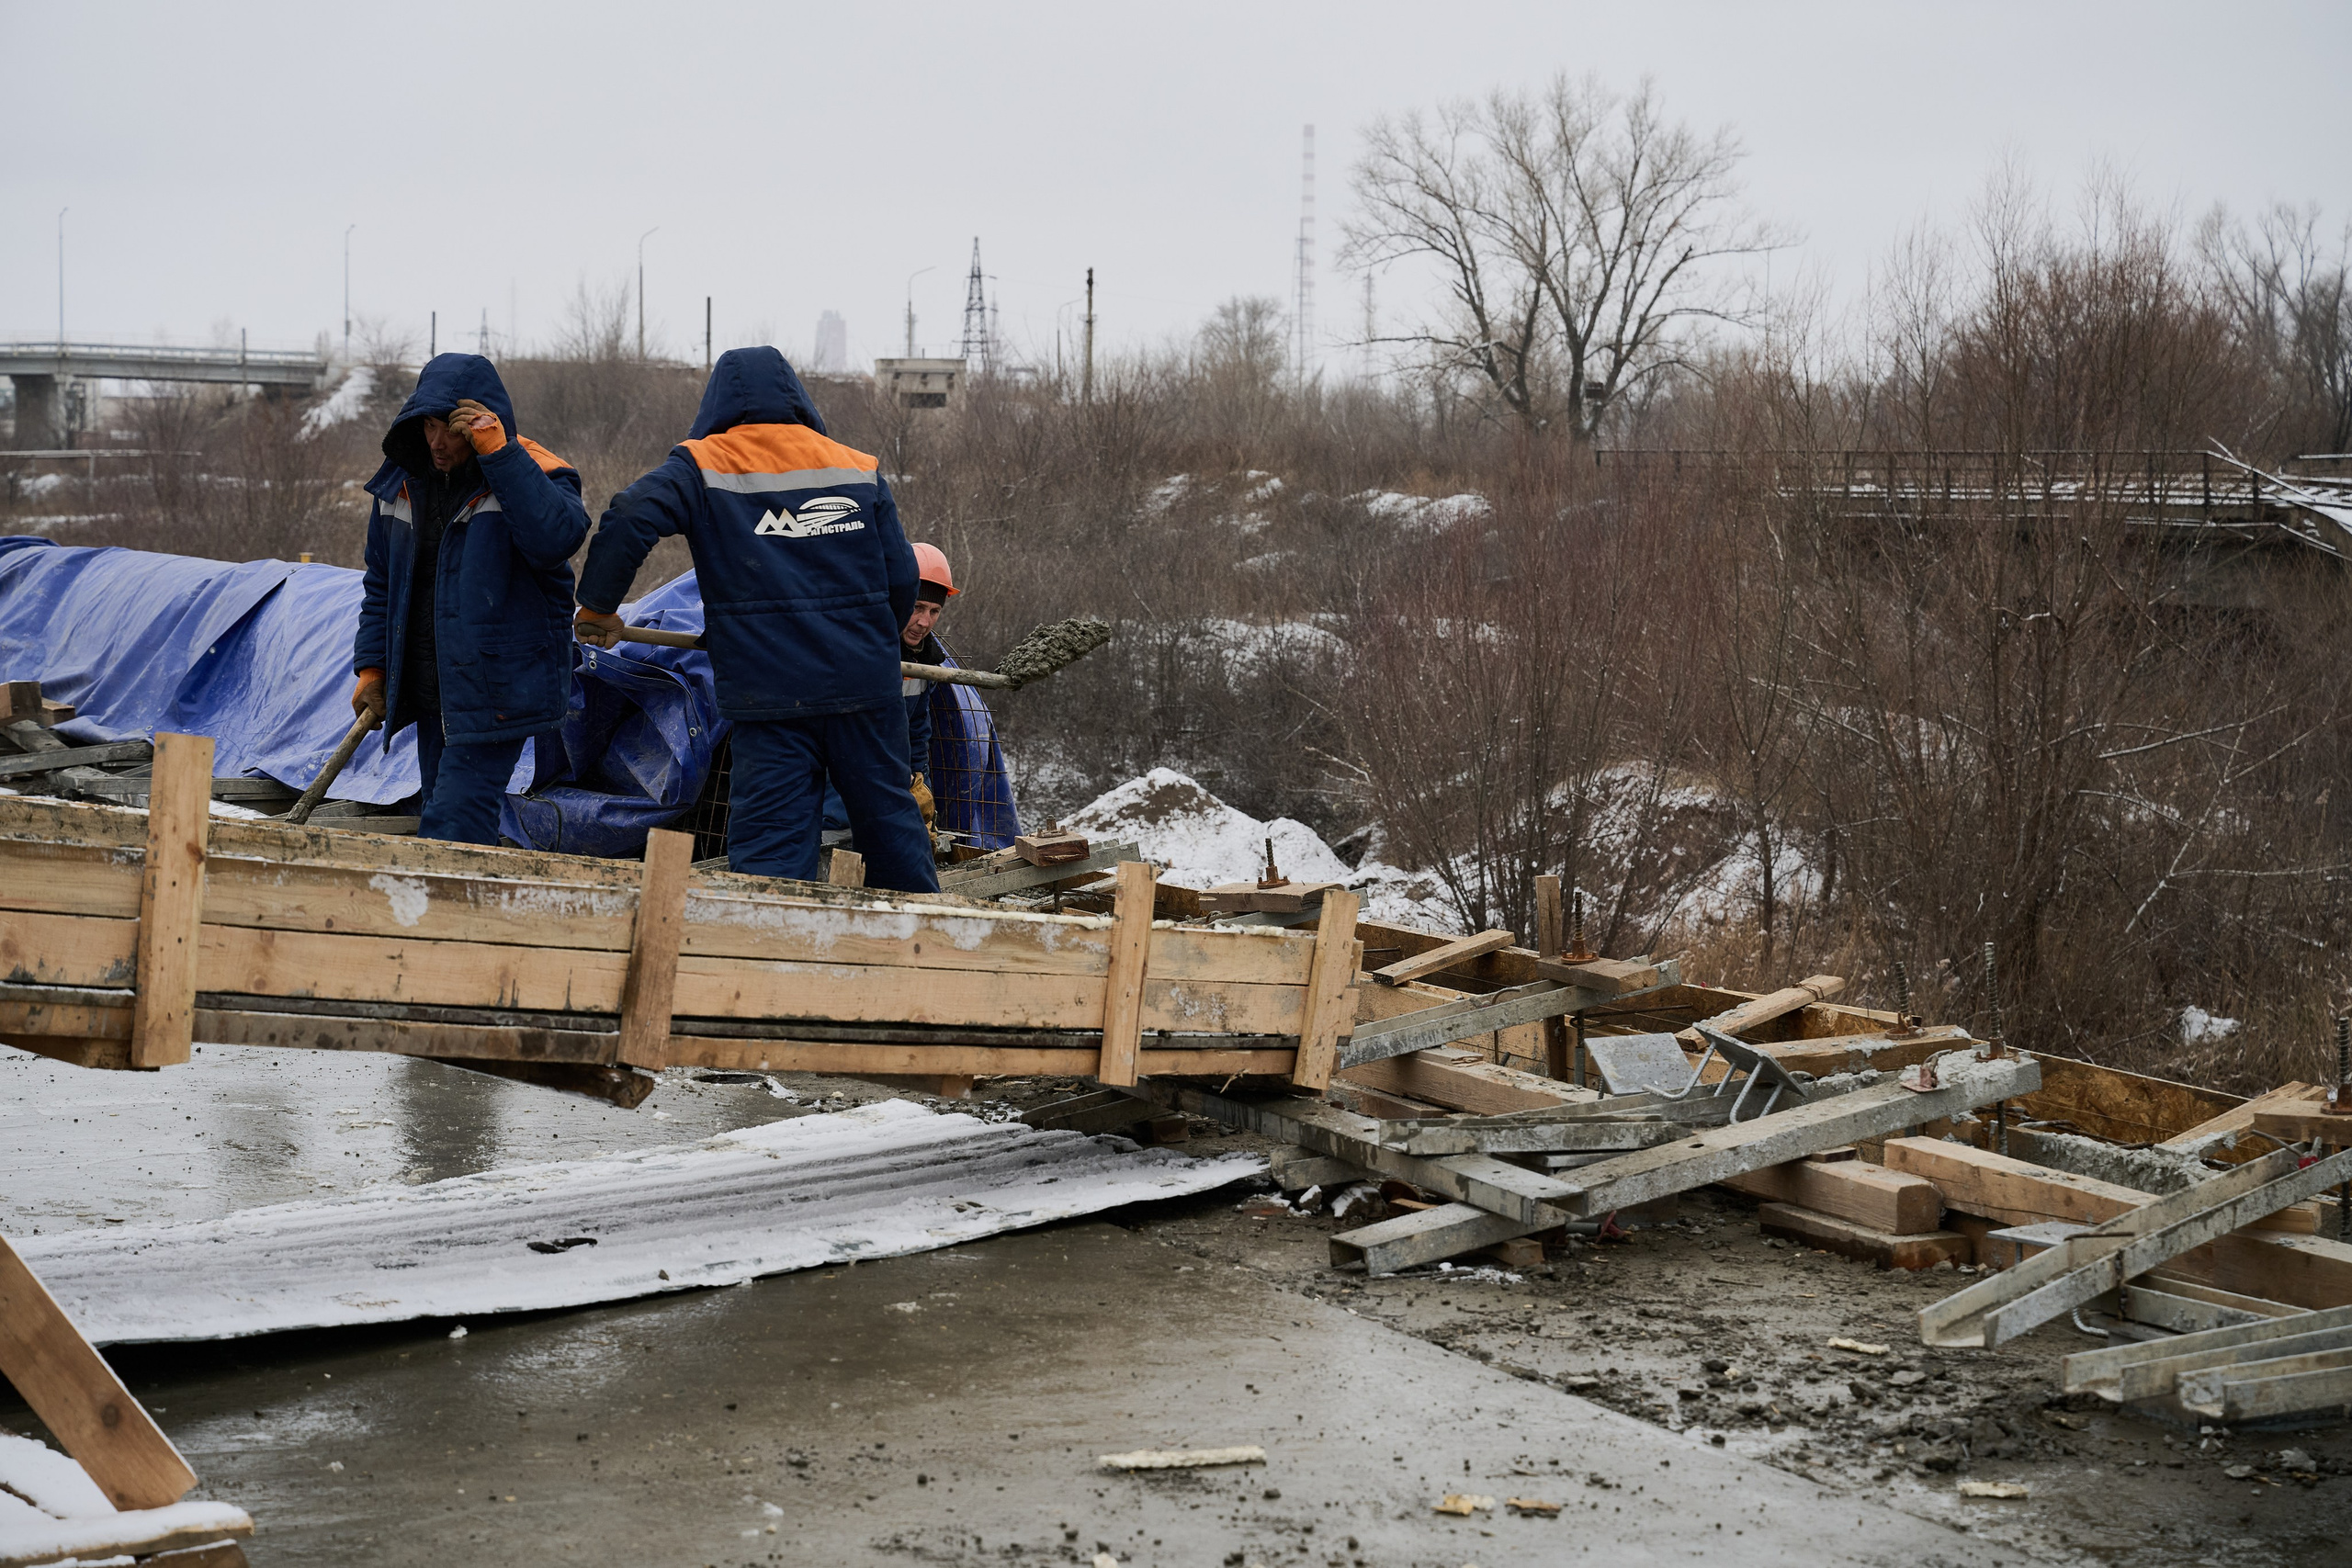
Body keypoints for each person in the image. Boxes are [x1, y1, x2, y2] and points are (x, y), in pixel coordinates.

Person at [571, 346, 938, 892]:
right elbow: (902, 575)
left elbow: (628, 517)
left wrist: (599, 608)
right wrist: (868, 643)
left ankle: (767, 941)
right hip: (865, 688)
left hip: (770, 694)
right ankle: (924, 934)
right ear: (796, 398)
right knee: (892, 827)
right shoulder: (855, 466)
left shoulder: (703, 464)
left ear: (717, 402)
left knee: (772, 848)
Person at [351, 355, 589, 844]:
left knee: (452, 825)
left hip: (499, 690)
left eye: (452, 430)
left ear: (483, 423)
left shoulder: (537, 470)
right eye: (429, 426)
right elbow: (381, 583)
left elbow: (557, 539)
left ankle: (442, 895)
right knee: (447, 815)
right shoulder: (400, 482)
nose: (437, 442)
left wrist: (499, 454)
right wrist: (373, 668)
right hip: (434, 688)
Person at [899, 542, 959, 829]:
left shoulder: (926, 663)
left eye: (934, 611)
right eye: (917, 607)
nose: (924, 622)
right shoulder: (861, 652)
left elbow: (917, 737)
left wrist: (924, 802)